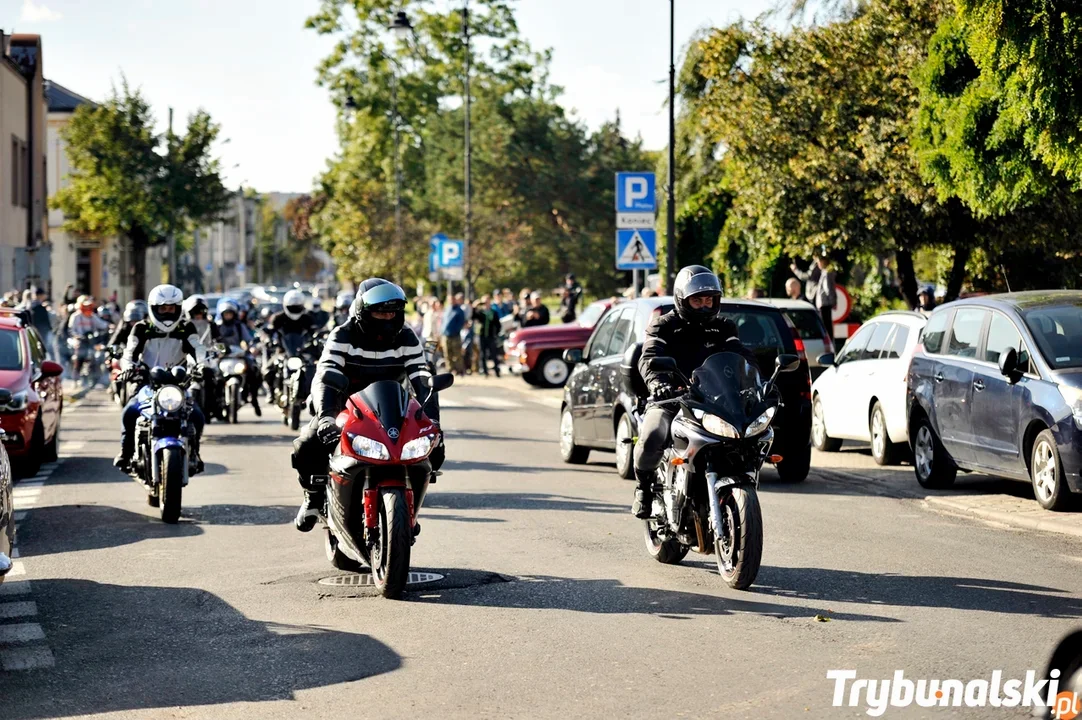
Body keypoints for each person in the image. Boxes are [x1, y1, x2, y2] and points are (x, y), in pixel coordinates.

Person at [291, 279, 443, 531]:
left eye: (392, 311)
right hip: (345, 405)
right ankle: (313, 497)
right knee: (307, 443)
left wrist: (432, 420)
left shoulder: (407, 336)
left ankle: (410, 508)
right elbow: (325, 375)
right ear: (362, 310)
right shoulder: (342, 334)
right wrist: (327, 417)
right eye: (379, 311)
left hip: (392, 407)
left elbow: (422, 378)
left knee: (434, 445)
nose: (387, 317)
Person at [632, 265, 759, 518]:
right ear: (682, 299)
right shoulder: (664, 326)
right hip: (671, 398)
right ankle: (644, 488)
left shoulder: (724, 327)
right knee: (653, 435)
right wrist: (657, 383)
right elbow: (649, 357)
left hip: (711, 400)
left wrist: (759, 378)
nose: (704, 305)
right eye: (697, 300)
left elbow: (741, 356)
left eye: (709, 299)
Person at [114, 284, 207, 473]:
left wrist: (202, 365)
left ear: (178, 308)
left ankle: (195, 452)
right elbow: (129, 352)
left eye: (171, 308)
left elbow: (198, 348)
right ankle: (126, 452)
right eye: (163, 308)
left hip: (178, 382)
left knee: (197, 415)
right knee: (129, 412)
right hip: (147, 381)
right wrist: (128, 367)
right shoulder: (141, 328)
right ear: (154, 308)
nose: (167, 312)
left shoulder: (185, 327)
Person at [262, 289, 319, 394]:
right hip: (282, 350)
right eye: (292, 307)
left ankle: (309, 394)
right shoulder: (278, 318)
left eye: (297, 307)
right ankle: (271, 392)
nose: (295, 310)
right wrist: (269, 340)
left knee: (315, 369)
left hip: (302, 351)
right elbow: (270, 332)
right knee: (268, 369)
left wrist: (316, 342)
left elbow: (314, 333)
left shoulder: (307, 318)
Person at [216, 298, 262, 416]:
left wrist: (251, 348)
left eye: (230, 313)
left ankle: (254, 399)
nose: (228, 316)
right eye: (226, 314)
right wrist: (220, 351)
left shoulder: (239, 326)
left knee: (254, 370)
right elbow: (214, 342)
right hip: (222, 357)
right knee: (213, 376)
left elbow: (248, 340)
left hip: (239, 356)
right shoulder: (217, 327)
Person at [791, 256, 836, 340]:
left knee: (825, 327)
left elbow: (828, 288)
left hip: (823, 302)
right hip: (821, 302)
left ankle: (828, 344)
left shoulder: (825, 272)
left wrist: (833, 302)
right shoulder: (823, 271)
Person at [476, 296, 502, 377]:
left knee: (494, 354)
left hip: (491, 336)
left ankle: (497, 371)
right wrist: (475, 306)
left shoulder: (493, 312)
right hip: (482, 336)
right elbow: (473, 317)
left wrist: (495, 333)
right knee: (483, 354)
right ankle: (485, 372)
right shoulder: (480, 312)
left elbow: (498, 325)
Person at [441, 293, 467, 375]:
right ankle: (450, 369)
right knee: (447, 353)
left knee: (457, 354)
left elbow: (461, 322)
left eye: (452, 299)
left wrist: (456, 330)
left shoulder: (459, 310)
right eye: (449, 300)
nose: (451, 301)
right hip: (446, 335)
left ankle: (459, 369)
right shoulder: (447, 309)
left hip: (455, 336)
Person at [27, 288, 54, 360]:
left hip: (34, 330)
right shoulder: (38, 307)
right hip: (40, 331)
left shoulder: (31, 306)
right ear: (39, 295)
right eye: (43, 295)